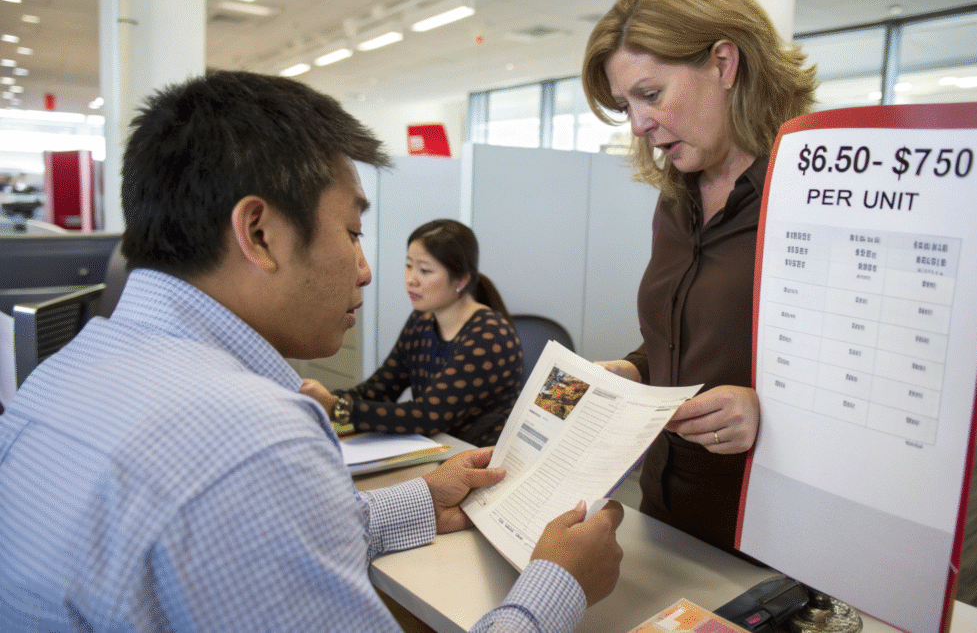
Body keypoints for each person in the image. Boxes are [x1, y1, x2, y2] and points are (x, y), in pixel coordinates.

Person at [0, 70, 624, 633]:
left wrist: (420, 499)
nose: (366, 270)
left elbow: (246, 540)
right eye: (352, 233)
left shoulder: (62, 373)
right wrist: (558, 585)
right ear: (259, 234)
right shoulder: (254, 439)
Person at [580, 0, 817, 552]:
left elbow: (871, 379)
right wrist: (636, 369)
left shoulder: (813, 194)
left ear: (724, 63)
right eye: (626, 105)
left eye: (650, 95)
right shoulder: (676, 199)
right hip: (666, 504)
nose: (639, 125)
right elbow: (689, 335)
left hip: (767, 524)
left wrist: (771, 412)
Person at [324, 218, 523, 446]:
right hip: (437, 449)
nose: (411, 280)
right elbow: (379, 390)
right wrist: (320, 402)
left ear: (461, 279)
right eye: (409, 265)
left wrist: (338, 408)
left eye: (425, 270)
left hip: (479, 456)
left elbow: (428, 416)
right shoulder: (421, 321)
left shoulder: (489, 336)